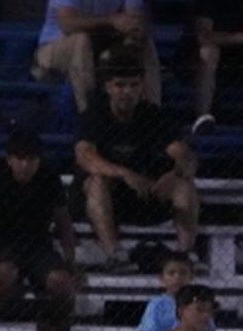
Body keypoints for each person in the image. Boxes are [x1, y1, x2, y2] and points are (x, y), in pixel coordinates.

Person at [73, 50, 200, 271]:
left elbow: (184, 155)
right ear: (108, 87)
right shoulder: (95, 115)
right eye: (120, 85)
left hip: (146, 193)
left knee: (184, 186)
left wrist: (176, 174)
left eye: (133, 85)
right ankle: (115, 255)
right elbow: (86, 157)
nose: (127, 92)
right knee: (96, 182)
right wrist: (124, 173)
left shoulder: (152, 115)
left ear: (142, 86)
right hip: (109, 198)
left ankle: (184, 254)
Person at [0, 128, 79, 321]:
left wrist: (70, 262)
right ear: (9, 159)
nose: (25, 165)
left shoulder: (50, 178)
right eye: (20, 159)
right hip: (2, 244)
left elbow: (64, 223)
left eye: (31, 159)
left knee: (61, 281)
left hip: (38, 245)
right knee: (5, 273)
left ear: (39, 160)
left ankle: (56, 325)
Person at [33, 0, 159, 113]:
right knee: (81, 41)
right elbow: (68, 24)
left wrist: (134, 29)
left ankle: (153, 112)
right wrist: (111, 20)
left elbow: (134, 17)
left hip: (104, 44)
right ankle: (89, 116)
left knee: (145, 43)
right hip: (55, 45)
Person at [188, 0, 243, 135]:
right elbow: (204, 36)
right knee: (209, 51)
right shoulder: (210, 3)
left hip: (238, 57)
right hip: (202, 59)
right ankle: (202, 116)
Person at [136, 250, 203, 331]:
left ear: (191, 277)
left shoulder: (198, 303)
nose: (177, 277)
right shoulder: (156, 304)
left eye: (183, 273)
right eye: (171, 273)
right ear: (162, 278)